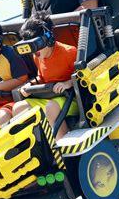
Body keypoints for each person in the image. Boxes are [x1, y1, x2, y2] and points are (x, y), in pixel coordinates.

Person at [12, 11, 78, 140]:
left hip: (72, 99)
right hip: (50, 97)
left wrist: (66, 84)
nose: (33, 51)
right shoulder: (37, 57)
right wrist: (30, 85)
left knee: (51, 107)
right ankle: (39, 148)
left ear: (47, 39)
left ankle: (62, 150)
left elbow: (82, 76)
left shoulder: (69, 52)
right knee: (19, 108)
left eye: (36, 45)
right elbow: (41, 78)